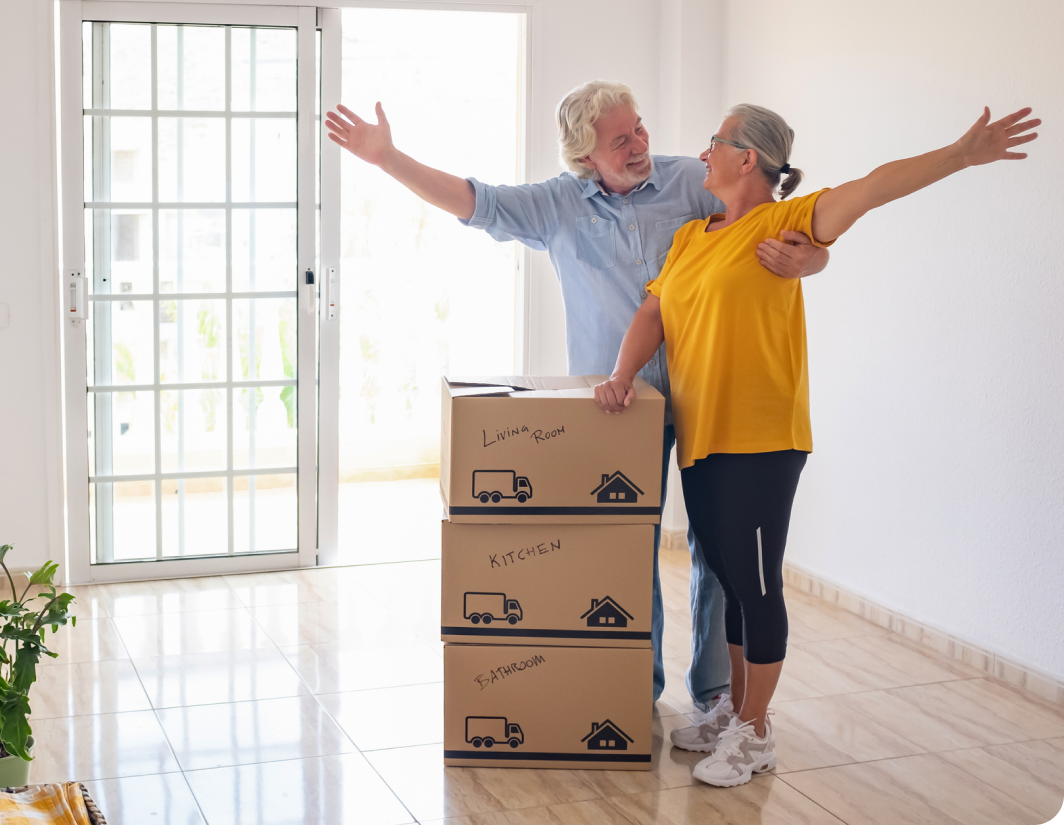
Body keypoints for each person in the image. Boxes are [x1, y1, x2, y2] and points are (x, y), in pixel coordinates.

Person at [325, 82, 831, 708]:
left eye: (640, 128)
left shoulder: (690, 179)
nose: (641, 145)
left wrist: (813, 261)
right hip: (618, 404)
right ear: (584, 155)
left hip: (710, 394)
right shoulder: (555, 205)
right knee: (628, 547)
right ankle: (634, 692)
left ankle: (717, 697)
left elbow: (775, 216)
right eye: (621, 140)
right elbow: (472, 200)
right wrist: (388, 159)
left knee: (718, 552)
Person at [593, 102, 1039, 786]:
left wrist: (959, 153)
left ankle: (757, 733)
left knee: (758, 585)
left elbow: (870, 188)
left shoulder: (783, 224)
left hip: (762, 439)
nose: (704, 151)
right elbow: (654, 310)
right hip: (703, 435)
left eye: (716, 142)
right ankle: (735, 712)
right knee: (733, 584)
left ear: (749, 159)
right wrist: (622, 376)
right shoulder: (693, 237)